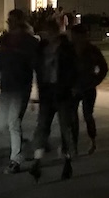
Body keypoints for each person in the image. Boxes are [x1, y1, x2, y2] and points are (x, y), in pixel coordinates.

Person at [0, 9, 38, 173]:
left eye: (13, 20)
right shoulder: (5, 39)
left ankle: (16, 159)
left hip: (21, 87)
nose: (10, 23)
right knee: (2, 124)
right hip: (6, 87)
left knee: (13, 123)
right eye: (9, 20)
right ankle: (23, 144)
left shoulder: (30, 42)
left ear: (20, 21)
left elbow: (37, 65)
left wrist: (39, 91)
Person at [28, 16, 80, 181]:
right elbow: (38, 69)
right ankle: (37, 160)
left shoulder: (66, 48)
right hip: (48, 93)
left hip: (63, 93)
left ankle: (67, 160)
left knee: (66, 128)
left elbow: (74, 69)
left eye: (50, 31)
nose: (47, 35)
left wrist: (73, 87)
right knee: (42, 127)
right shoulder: (41, 48)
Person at [68, 22, 108, 153]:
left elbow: (103, 67)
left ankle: (92, 140)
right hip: (73, 87)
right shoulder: (69, 49)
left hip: (88, 87)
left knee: (87, 114)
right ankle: (74, 144)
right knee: (72, 116)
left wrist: (95, 80)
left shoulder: (92, 50)